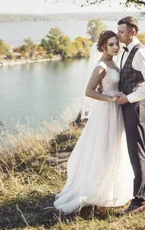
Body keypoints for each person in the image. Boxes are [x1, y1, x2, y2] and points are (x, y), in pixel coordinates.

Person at [53, 30, 134, 215]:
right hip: (106, 111)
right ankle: (96, 190)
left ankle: (112, 188)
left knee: (116, 146)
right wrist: (110, 99)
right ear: (102, 47)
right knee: (103, 147)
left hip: (116, 109)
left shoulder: (113, 62)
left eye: (116, 44)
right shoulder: (100, 67)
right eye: (111, 44)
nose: (115, 47)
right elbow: (89, 92)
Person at [116, 16, 145, 215]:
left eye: (122, 32)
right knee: (134, 151)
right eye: (118, 31)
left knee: (137, 151)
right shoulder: (125, 51)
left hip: (137, 106)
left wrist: (129, 98)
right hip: (130, 104)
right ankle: (141, 193)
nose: (118, 35)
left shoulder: (141, 53)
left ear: (133, 32)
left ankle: (140, 201)